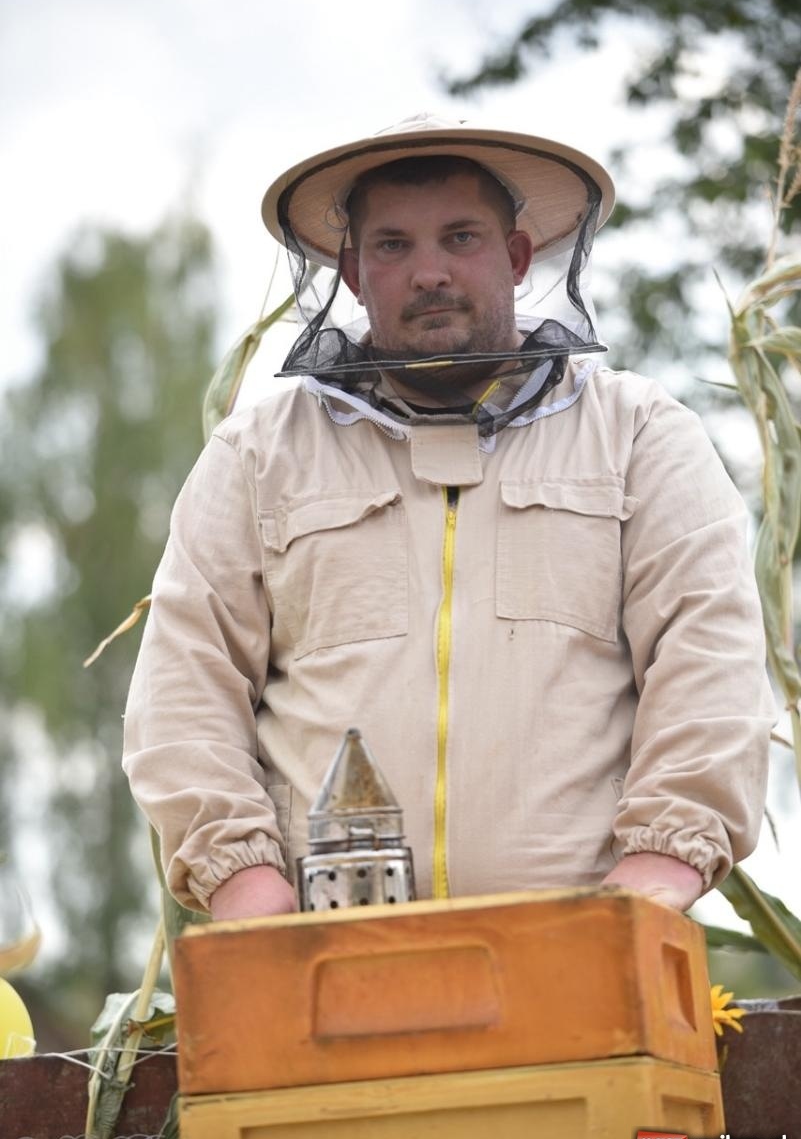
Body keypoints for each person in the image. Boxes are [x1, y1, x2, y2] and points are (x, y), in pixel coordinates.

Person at [122, 114, 774, 924]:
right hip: (320, 962)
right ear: (355, 275)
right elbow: (186, 678)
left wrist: (654, 871)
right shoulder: (261, 451)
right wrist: (247, 889)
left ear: (514, 257)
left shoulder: (637, 432)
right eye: (393, 246)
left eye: (459, 238)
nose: (428, 271)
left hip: (582, 948)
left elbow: (708, 656)